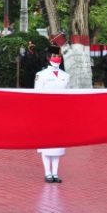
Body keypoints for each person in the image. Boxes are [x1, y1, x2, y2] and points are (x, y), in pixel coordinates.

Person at [35, 45, 71, 182]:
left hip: (60, 113)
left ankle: (55, 173)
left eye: (58, 57)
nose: (57, 59)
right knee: (46, 145)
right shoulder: (41, 75)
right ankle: (47, 172)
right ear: (48, 58)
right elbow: (37, 95)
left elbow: (68, 96)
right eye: (54, 56)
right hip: (45, 113)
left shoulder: (65, 76)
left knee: (58, 145)